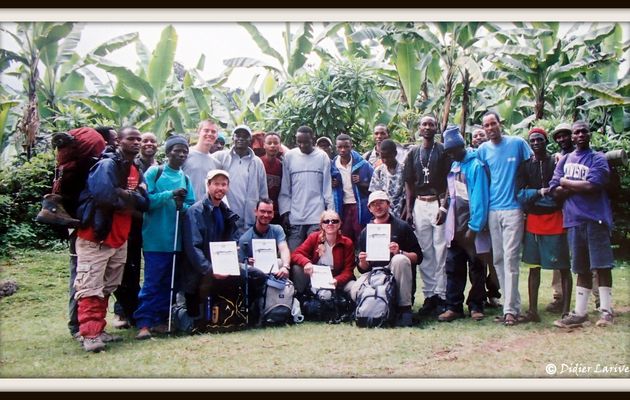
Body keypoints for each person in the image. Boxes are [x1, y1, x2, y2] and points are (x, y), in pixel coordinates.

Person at [73, 128, 149, 352]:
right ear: (119, 142)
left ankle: (99, 329)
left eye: (139, 139)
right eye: (131, 139)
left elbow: (145, 203)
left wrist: (125, 195)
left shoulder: (135, 169)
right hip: (97, 236)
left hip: (119, 237)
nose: (136, 143)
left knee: (107, 286)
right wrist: (130, 198)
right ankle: (89, 334)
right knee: (90, 286)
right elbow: (105, 196)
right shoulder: (107, 165)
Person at [550, 121, 616, 329]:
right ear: (572, 136)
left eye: (583, 132)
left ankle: (606, 310)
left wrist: (566, 183)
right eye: (576, 132)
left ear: (589, 135)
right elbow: (554, 190)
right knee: (581, 267)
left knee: (602, 264)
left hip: (595, 217)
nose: (579, 135)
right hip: (573, 219)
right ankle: (580, 312)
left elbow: (593, 185)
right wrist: (570, 185)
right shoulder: (565, 160)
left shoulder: (598, 158)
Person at [134, 135, 196, 340]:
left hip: (176, 241)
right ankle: (144, 322)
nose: (181, 154)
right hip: (155, 239)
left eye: (185, 151)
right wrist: (169, 195)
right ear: (168, 152)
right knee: (153, 282)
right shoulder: (155, 172)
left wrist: (182, 205)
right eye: (177, 150)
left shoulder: (185, 178)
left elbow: (191, 206)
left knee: (170, 283)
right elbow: (146, 202)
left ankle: (162, 320)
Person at [476, 111, 533, 326]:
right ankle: (511, 304)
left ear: (501, 124)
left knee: (511, 259)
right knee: (498, 259)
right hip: (492, 210)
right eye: (486, 125)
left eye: (493, 124)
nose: (490, 128)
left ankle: (510, 310)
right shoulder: (482, 150)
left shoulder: (517, 143)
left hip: (513, 209)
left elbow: (533, 163)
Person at [516, 127, 572, 323]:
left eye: (539, 139)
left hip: (555, 219)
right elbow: (521, 195)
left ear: (546, 141)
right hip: (534, 221)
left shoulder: (556, 162)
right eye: (532, 141)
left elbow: (560, 194)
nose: (536, 143)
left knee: (563, 265)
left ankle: (566, 310)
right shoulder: (524, 166)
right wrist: (540, 193)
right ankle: (532, 311)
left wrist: (539, 198)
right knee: (533, 266)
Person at [437, 126, 490, 322]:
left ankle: (476, 305)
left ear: (461, 147)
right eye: (448, 152)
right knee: (453, 266)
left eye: (453, 151)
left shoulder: (475, 166)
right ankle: (454, 306)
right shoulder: (455, 166)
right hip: (455, 226)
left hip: (471, 227)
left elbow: (480, 199)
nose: (451, 155)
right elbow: (450, 193)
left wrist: (474, 228)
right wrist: (443, 209)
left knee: (476, 267)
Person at [180, 169, 243, 327]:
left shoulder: (226, 212)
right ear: (208, 185)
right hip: (199, 272)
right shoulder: (195, 212)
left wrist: (234, 252)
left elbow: (234, 239)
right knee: (197, 321)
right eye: (216, 184)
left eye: (224, 184)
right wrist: (210, 269)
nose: (220, 188)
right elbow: (193, 248)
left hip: (222, 269)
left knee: (252, 276)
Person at [403, 115, 451, 317]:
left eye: (431, 124)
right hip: (419, 205)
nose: (427, 127)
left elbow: (450, 182)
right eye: (424, 124)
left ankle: (442, 295)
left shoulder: (443, 151)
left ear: (436, 128)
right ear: (419, 129)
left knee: (441, 250)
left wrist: (444, 207)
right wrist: (408, 207)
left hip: (437, 203)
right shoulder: (413, 153)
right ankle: (429, 295)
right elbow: (408, 183)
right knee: (425, 250)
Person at [354, 191, 422, 327]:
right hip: (375, 274)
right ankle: (368, 308)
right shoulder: (366, 232)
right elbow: (363, 269)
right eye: (373, 204)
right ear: (369, 208)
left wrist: (400, 252)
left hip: (396, 273)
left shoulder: (403, 227)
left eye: (381, 203)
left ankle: (405, 309)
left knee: (400, 260)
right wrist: (362, 261)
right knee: (354, 288)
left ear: (388, 205)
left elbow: (418, 257)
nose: (377, 207)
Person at [112, 129, 158, 329]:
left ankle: (139, 311)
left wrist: (136, 199)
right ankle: (122, 312)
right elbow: (117, 196)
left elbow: (145, 200)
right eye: (141, 140)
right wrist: (135, 200)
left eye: (150, 141)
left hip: (148, 225)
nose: (146, 144)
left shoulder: (158, 167)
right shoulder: (128, 164)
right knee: (127, 269)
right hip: (128, 226)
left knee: (144, 269)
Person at [278, 126, 334, 251]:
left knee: (316, 254)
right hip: (295, 217)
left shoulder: (322, 156)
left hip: (316, 216)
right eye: (299, 142)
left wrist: (330, 214)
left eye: (306, 142)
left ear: (313, 139)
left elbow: (327, 189)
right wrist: (285, 213)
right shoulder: (289, 156)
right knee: (294, 255)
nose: (302, 145)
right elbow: (285, 188)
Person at [212, 125, 269, 239]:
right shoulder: (220, 157)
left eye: (245, 136)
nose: (241, 139)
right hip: (224, 216)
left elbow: (263, 192)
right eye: (238, 135)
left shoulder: (257, 162)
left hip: (248, 219)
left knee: (246, 253)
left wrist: (262, 214)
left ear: (250, 140)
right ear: (233, 138)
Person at [469, 126, 501, 308]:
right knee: (480, 259)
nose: (479, 137)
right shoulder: (470, 160)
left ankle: (494, 293)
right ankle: (479, 295)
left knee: (496, 258)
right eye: (475, 136)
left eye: (482, 134)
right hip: (478, 215)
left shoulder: (493, 155)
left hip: (496, 210)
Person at [291, 210, 356, 296]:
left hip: (338, 278)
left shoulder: (347, 243)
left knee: (354, 288)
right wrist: (306, 263)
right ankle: (301, 297)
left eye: (334, 221)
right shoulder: (314, 237)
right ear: (322, 225)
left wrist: (337, 280)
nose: (330, 224)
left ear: (339, 224)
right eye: (326, 221)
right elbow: (295, 254)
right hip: (318, 277)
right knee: (325, 295)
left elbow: (348, 270)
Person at [330, 133, 374, 245]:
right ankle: (348, 261)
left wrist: (362, 183)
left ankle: (362, 260)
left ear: (351, 146)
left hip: (359, 206)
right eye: (340, 147)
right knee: (345, 237)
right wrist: (332, 184)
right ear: (336, 147)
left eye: (346, 146)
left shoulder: (363, 164)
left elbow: (376, 185)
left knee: (362, 235)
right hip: (342, 206)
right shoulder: (333, 165)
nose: (343, 150)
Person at [238, 199, 291, 279]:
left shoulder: (277, 230)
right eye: (262, 211)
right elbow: (240, 264)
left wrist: (285, 266)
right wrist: (247, 262)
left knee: (280, 262)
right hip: (254, 275)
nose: (266, 215)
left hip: (273, 271)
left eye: (269, 212)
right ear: (256, 212)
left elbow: (284, 249)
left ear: (273, 214)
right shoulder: (245, 238)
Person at [182, 119, 221, 202]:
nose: (210, 134)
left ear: (216, 136)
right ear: (199, 132)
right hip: (185, 208)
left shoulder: (216, 163)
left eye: (213, 132)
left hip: (205, 210)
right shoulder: (185, 155)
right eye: (206, 130)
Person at [368, 138, 406, 219]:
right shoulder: (378, 171)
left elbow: (408, 195)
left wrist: (405, 213)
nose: (385, 160)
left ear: (395, 154)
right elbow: (375, 195)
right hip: (383, 214)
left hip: (402, 212)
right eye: (383, 157)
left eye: (388, 157)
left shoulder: (404, 170)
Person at [260, 132, 284, 225]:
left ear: (280, 145)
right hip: (261, 211)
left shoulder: (282, 165)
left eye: (275, 143)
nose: (272, 145)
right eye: (269, 143)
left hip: (276, 211)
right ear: (264, 145)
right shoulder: (258, 162)